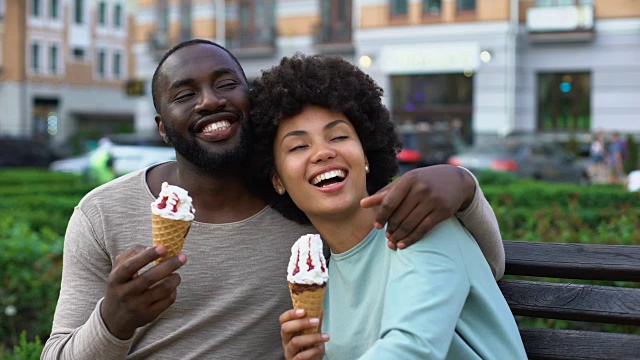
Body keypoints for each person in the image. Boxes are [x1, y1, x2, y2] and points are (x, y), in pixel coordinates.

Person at [42, 39, 505, 359]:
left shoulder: (309, 218)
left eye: (225, 83)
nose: (208, 101)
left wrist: (463, 186)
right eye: (184, 94)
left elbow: (474, 271)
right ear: (162, 127)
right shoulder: (102, 214)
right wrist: (113, 320)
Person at [249, 54, 526, 359]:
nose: (323, 153)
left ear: (366, 156)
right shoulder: (317, 285)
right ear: (278, 180)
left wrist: (464, 182)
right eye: (299, 146)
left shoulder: (419, 222)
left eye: (339, 136)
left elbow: (414, 348)